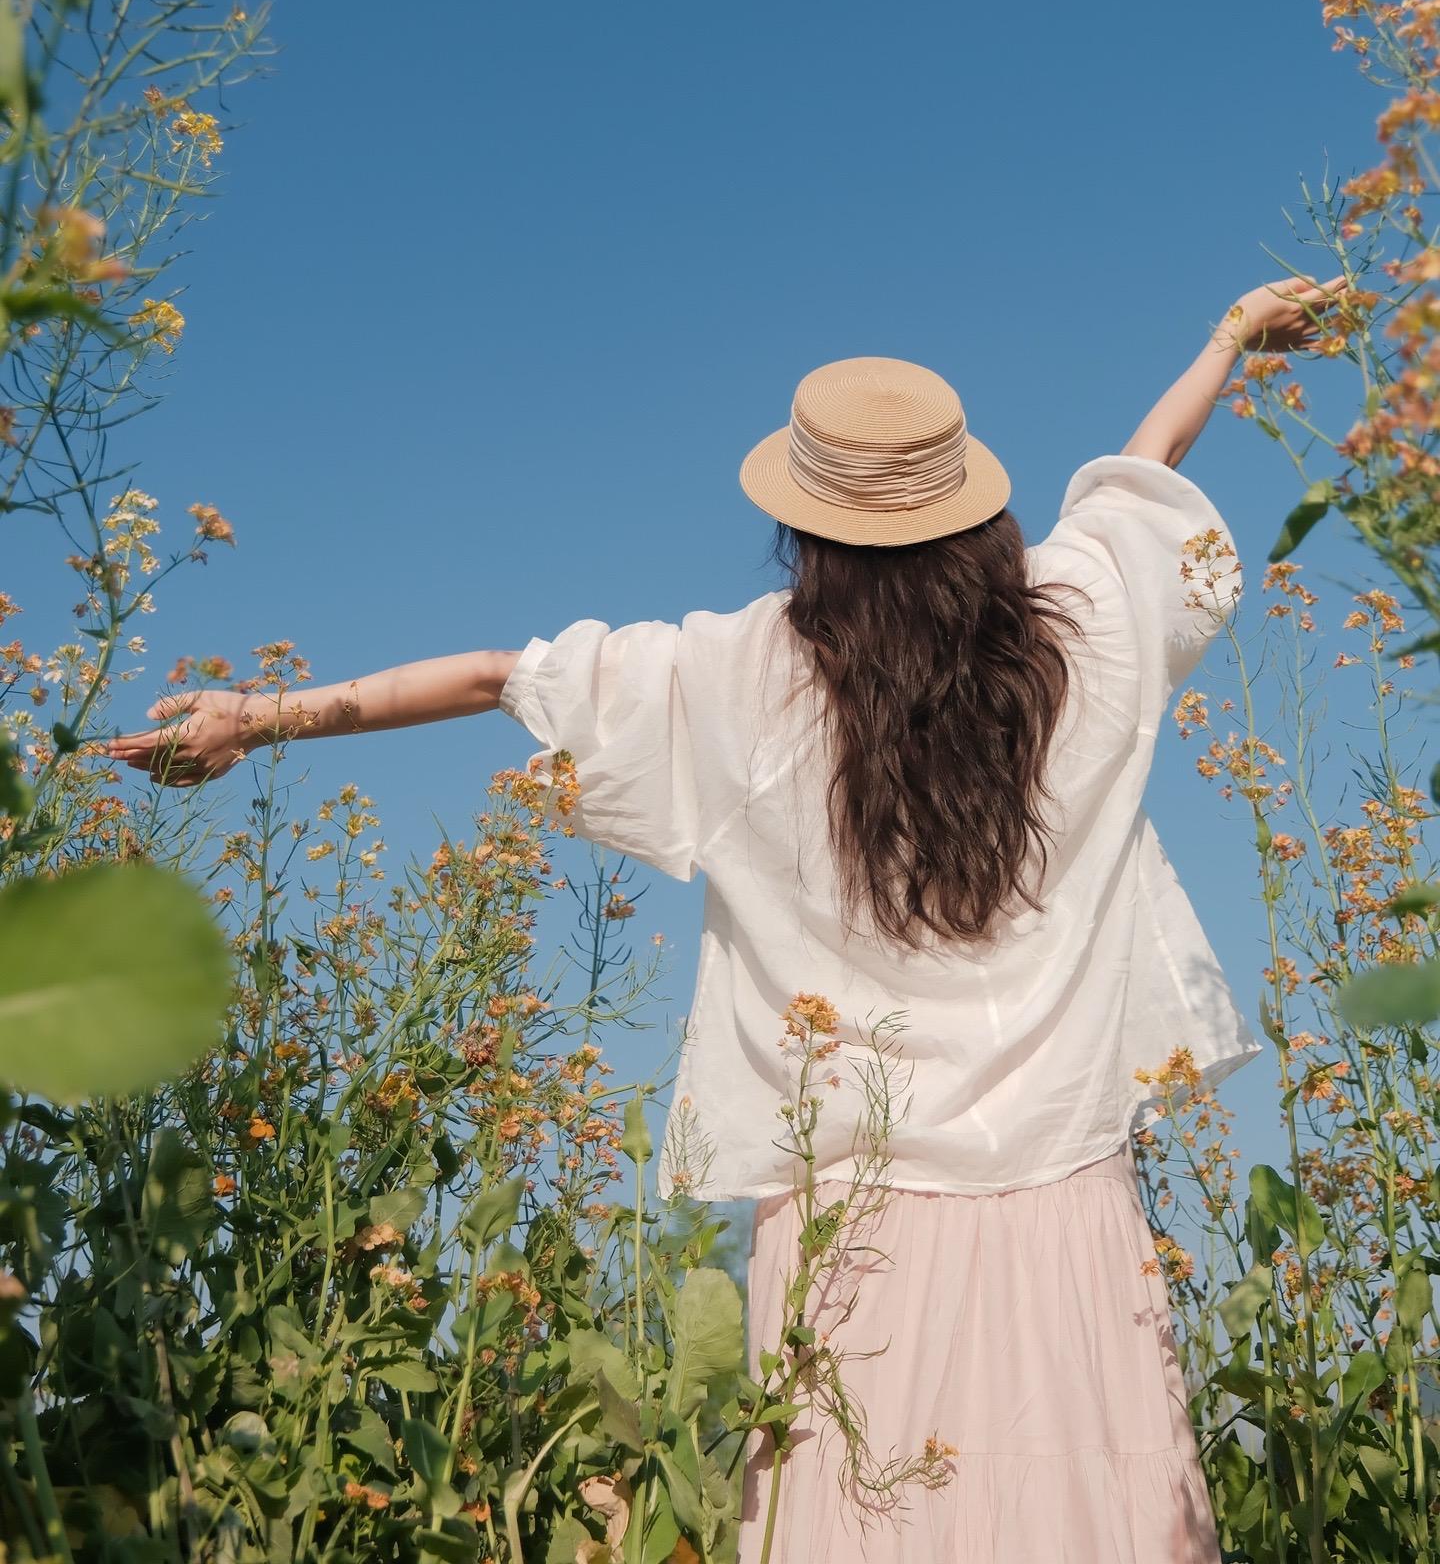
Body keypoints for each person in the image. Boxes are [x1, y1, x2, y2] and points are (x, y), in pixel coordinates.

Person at [108, 274, 1342, 1562]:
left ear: (806, 529)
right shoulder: (1076, 640)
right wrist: (1228, 344)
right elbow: (1134, 484)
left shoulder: (737, 674)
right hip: (1066, 1183)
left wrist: (254, 718)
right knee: (1080, 1495)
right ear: (973, 516)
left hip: (849, 1207)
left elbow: (495, 676)